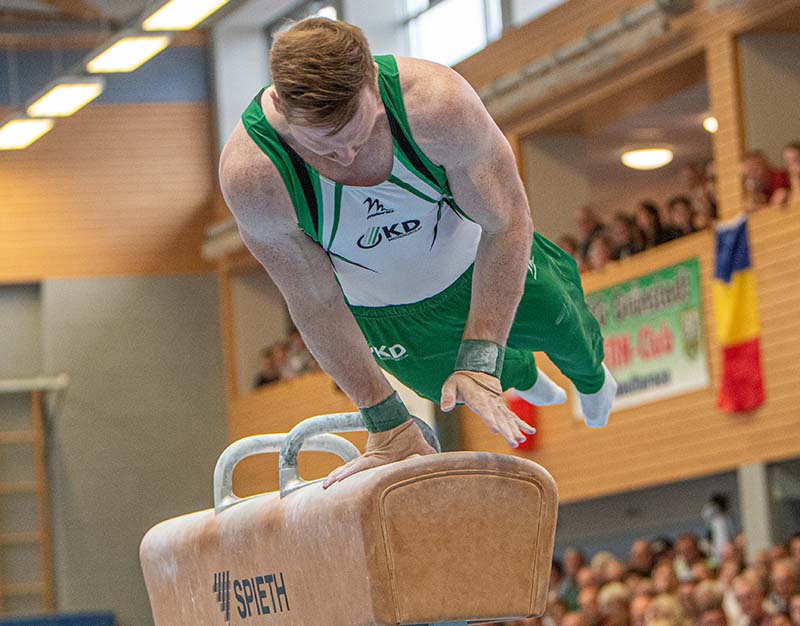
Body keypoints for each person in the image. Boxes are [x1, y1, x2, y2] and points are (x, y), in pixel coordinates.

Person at [219, 18, 617, 487]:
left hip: (481, 264)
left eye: (359, 132)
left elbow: (506, 223)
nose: (346, 155)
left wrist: (481, 354)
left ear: (370, 79)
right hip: (385, 313)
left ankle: (592, 381)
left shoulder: (435, 106)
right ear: (282, 107)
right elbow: (315, 303)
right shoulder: (255, 176)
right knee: (443, 388)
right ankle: (523, 375)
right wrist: (385, 421)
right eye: (323, 147)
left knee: (562, 321)